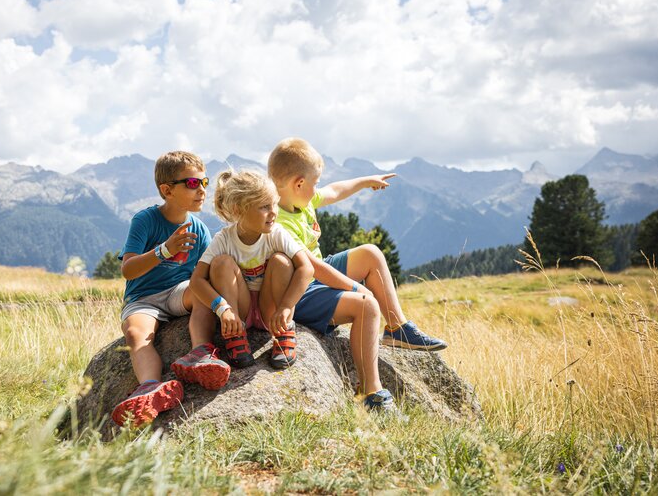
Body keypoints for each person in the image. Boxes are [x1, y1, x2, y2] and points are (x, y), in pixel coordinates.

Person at [267, 137, 448, 411]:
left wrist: (366, 181)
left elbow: (335, 190)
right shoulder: (278, 222)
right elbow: (314, 269)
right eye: (314, 183)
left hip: (318, 273)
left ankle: (398, 329)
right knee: (366, 306)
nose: (318, 189)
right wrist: (354, 287)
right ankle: (371, 393)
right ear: (299, 183)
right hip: (300, 291)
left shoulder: (301, 200)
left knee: (370, 253)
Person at [111, 151, 231, 428]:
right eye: (192, 184)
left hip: (179, 291)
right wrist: (165, 250)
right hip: (143, 298)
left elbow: (202, 275)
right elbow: (128, 270)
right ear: (167, 190)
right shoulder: (146, 220)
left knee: (201, 290)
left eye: (204, 183)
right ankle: (151, 388)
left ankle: (200, 354)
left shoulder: (199, 229)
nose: (201, 190)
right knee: (135, 333)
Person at [190, 169, 314, 369]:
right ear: (239, 210)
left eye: (274, 203)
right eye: (264, 206)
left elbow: (306, 269)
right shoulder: (224, 238)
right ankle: (234, 334)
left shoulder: (276, 234)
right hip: (239, 311)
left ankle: (284, 332)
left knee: (281, 261)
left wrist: (286, 307)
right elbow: (197, 281)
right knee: (221, 263)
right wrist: (223, 309)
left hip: (271, 312)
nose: (274, 212)